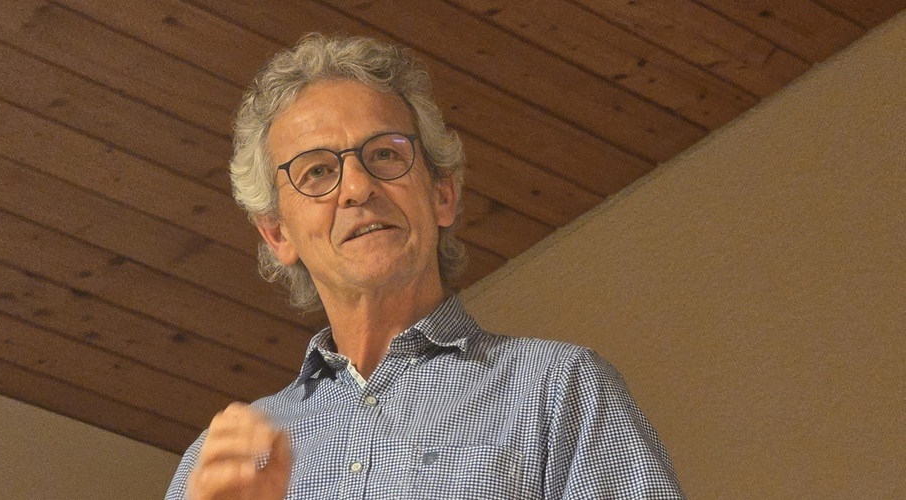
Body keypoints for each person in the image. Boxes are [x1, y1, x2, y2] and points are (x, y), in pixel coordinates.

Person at [165, 33, 684, 499]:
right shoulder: (219, 460)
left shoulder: (557, 390)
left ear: (443, 194)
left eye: (385, 155)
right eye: (317, 171)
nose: (357, 187)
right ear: (278, 234)